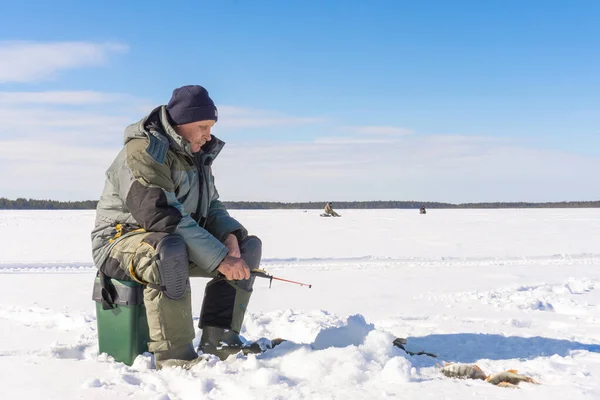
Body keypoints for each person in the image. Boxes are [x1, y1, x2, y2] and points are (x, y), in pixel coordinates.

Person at [91, 85, 264, 369]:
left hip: (174, 239)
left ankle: (219, 339)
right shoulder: (143, 151)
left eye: (211, 126)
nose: (209, 134)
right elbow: (162, 215)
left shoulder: (196, 154)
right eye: (203, 126)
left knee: (248, 247)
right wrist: (220, 258)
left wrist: (231, 239)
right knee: (167, 251)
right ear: (181, 123)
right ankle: (175, 355)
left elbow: (213, 207)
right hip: (119, 242)